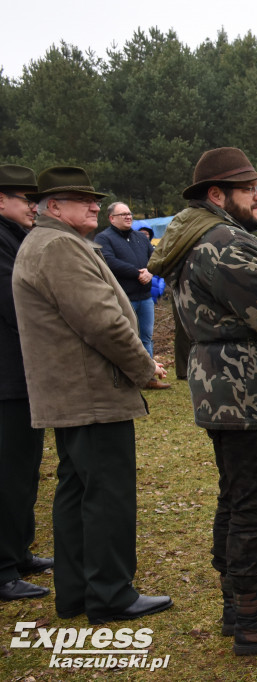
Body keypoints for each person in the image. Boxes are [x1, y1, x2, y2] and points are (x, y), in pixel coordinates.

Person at [148, 147, 257, 654]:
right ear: (217, 195)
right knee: (255, 502)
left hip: (224, 387)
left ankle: (241, 600)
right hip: (248, 389)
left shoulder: (198, 237)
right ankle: (251, 619)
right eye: (250, 188)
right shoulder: (223, 243)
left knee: (238, 495)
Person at [12, 166, 170, 623]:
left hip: (74, 391)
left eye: (94, 199)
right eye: (81, 200)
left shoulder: (46, 242)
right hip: (91, 392)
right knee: (106, 494)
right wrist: (143, 368)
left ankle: (79, 591)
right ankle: (110, 594)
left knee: (78, 490)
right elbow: (101, 320)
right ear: (53, 207)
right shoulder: (59, 245)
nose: (94, 206)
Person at [0, 165, 52, 603]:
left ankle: (18, 552)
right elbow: (14, 305)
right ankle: (2, 568)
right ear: (1, 200)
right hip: (6, 378)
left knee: (25, 471)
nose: (33, 207)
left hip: (22, 375)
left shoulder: (16, 238)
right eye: (24, 199)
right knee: (8, 473)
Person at [94, 202, 170, 389]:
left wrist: (150, 272)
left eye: (129, 213)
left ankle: (149, 377)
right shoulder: (104, 238)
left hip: (145, 297)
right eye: (123, 214)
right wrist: (137, 273)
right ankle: (126, 377)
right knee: (126, 337)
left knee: (146, 337)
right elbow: (109, 261)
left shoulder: (140, 237)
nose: (128, 217)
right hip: (123, 297)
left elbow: (154, 258)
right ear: (112, 218)